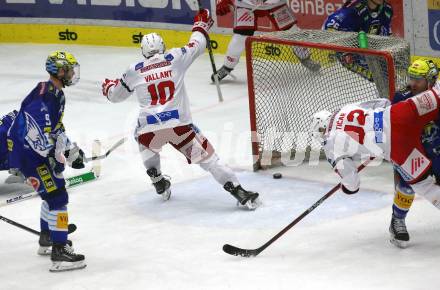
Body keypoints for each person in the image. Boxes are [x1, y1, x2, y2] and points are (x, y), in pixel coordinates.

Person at [102, 9, 260, 210]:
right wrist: (200, 26)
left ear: (143, 51)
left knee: (140, 133)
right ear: (163, 47)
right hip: (180, 130)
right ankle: (238, 191)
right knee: (209, 160)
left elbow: (115, 96)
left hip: (149, 131)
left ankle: (157, 178)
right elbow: (197, 45)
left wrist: (108, 87)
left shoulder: (134, 70)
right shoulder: (175, 57)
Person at [310, 77, 440, 244]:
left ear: (320, 131)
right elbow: (384, 102)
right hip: (399, 114)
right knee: (436, 94)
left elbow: (352, 183)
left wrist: (346, 187)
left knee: (426, 186)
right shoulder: (345, 108)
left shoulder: (330, 144)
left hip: (398, 148)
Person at [7, 51, 86, 272]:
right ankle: (59, 252)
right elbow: (38, 138)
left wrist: (69, 150)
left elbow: (55, 129)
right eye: (69, 70)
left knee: (54, 188)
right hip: (28, 156)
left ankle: (47, 237)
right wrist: (55, 154)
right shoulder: (42, 98)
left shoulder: (55, 93)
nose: (72, 74)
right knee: (57, 196)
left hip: (33, 154)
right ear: (59, 71)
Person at [388, 59, 439, 248]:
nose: (412, 83)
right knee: (408, 183)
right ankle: (397, 220)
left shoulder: (437, 96)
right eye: (411, 78)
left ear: (431, 80)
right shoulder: (402, 97)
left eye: (418, 79)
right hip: (409, 148)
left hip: (434, 145)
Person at [214, 0, 320, 82]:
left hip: (275, 4)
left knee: (292, 32)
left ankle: (305, 57)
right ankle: (227, 66)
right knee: (240, 37)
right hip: (246, 4)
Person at [323, 0, 393, 83]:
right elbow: (329, 26)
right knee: (375, 76)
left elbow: (386, 33)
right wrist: (343, 48)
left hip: (367, 45)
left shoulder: (387, 9)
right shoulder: (355, 10)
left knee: (388, 72)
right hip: (346, 46)